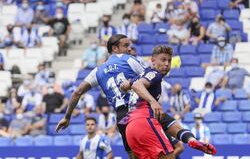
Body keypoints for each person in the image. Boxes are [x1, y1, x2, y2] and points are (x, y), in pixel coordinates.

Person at [56, 36, 216, 158]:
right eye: (126, 45)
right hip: (140, 110)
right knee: (170, 146)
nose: (129, 48)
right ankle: (189, 139)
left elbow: (77, 92)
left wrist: (67, 117)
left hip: (121, 118)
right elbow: (150, 74)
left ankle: (190, 139)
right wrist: (154, 95)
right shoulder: (130, 60)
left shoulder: (97, 71)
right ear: (115, 48)